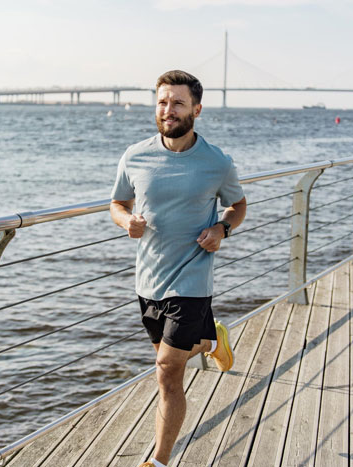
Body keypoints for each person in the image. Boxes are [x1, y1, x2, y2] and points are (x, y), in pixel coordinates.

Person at [110, 70, 247, 467]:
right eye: (162, 102)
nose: (168, 110)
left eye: (178, 103)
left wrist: (222, 228)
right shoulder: (134, 155)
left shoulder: (217, 162)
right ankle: (210, 342)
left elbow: (238, 206)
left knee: (167, 370)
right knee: (174, 359)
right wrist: (126, 222)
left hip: (192, 278)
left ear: (197, 109)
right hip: (148, 279)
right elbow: (117, 203)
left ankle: (160, 460)